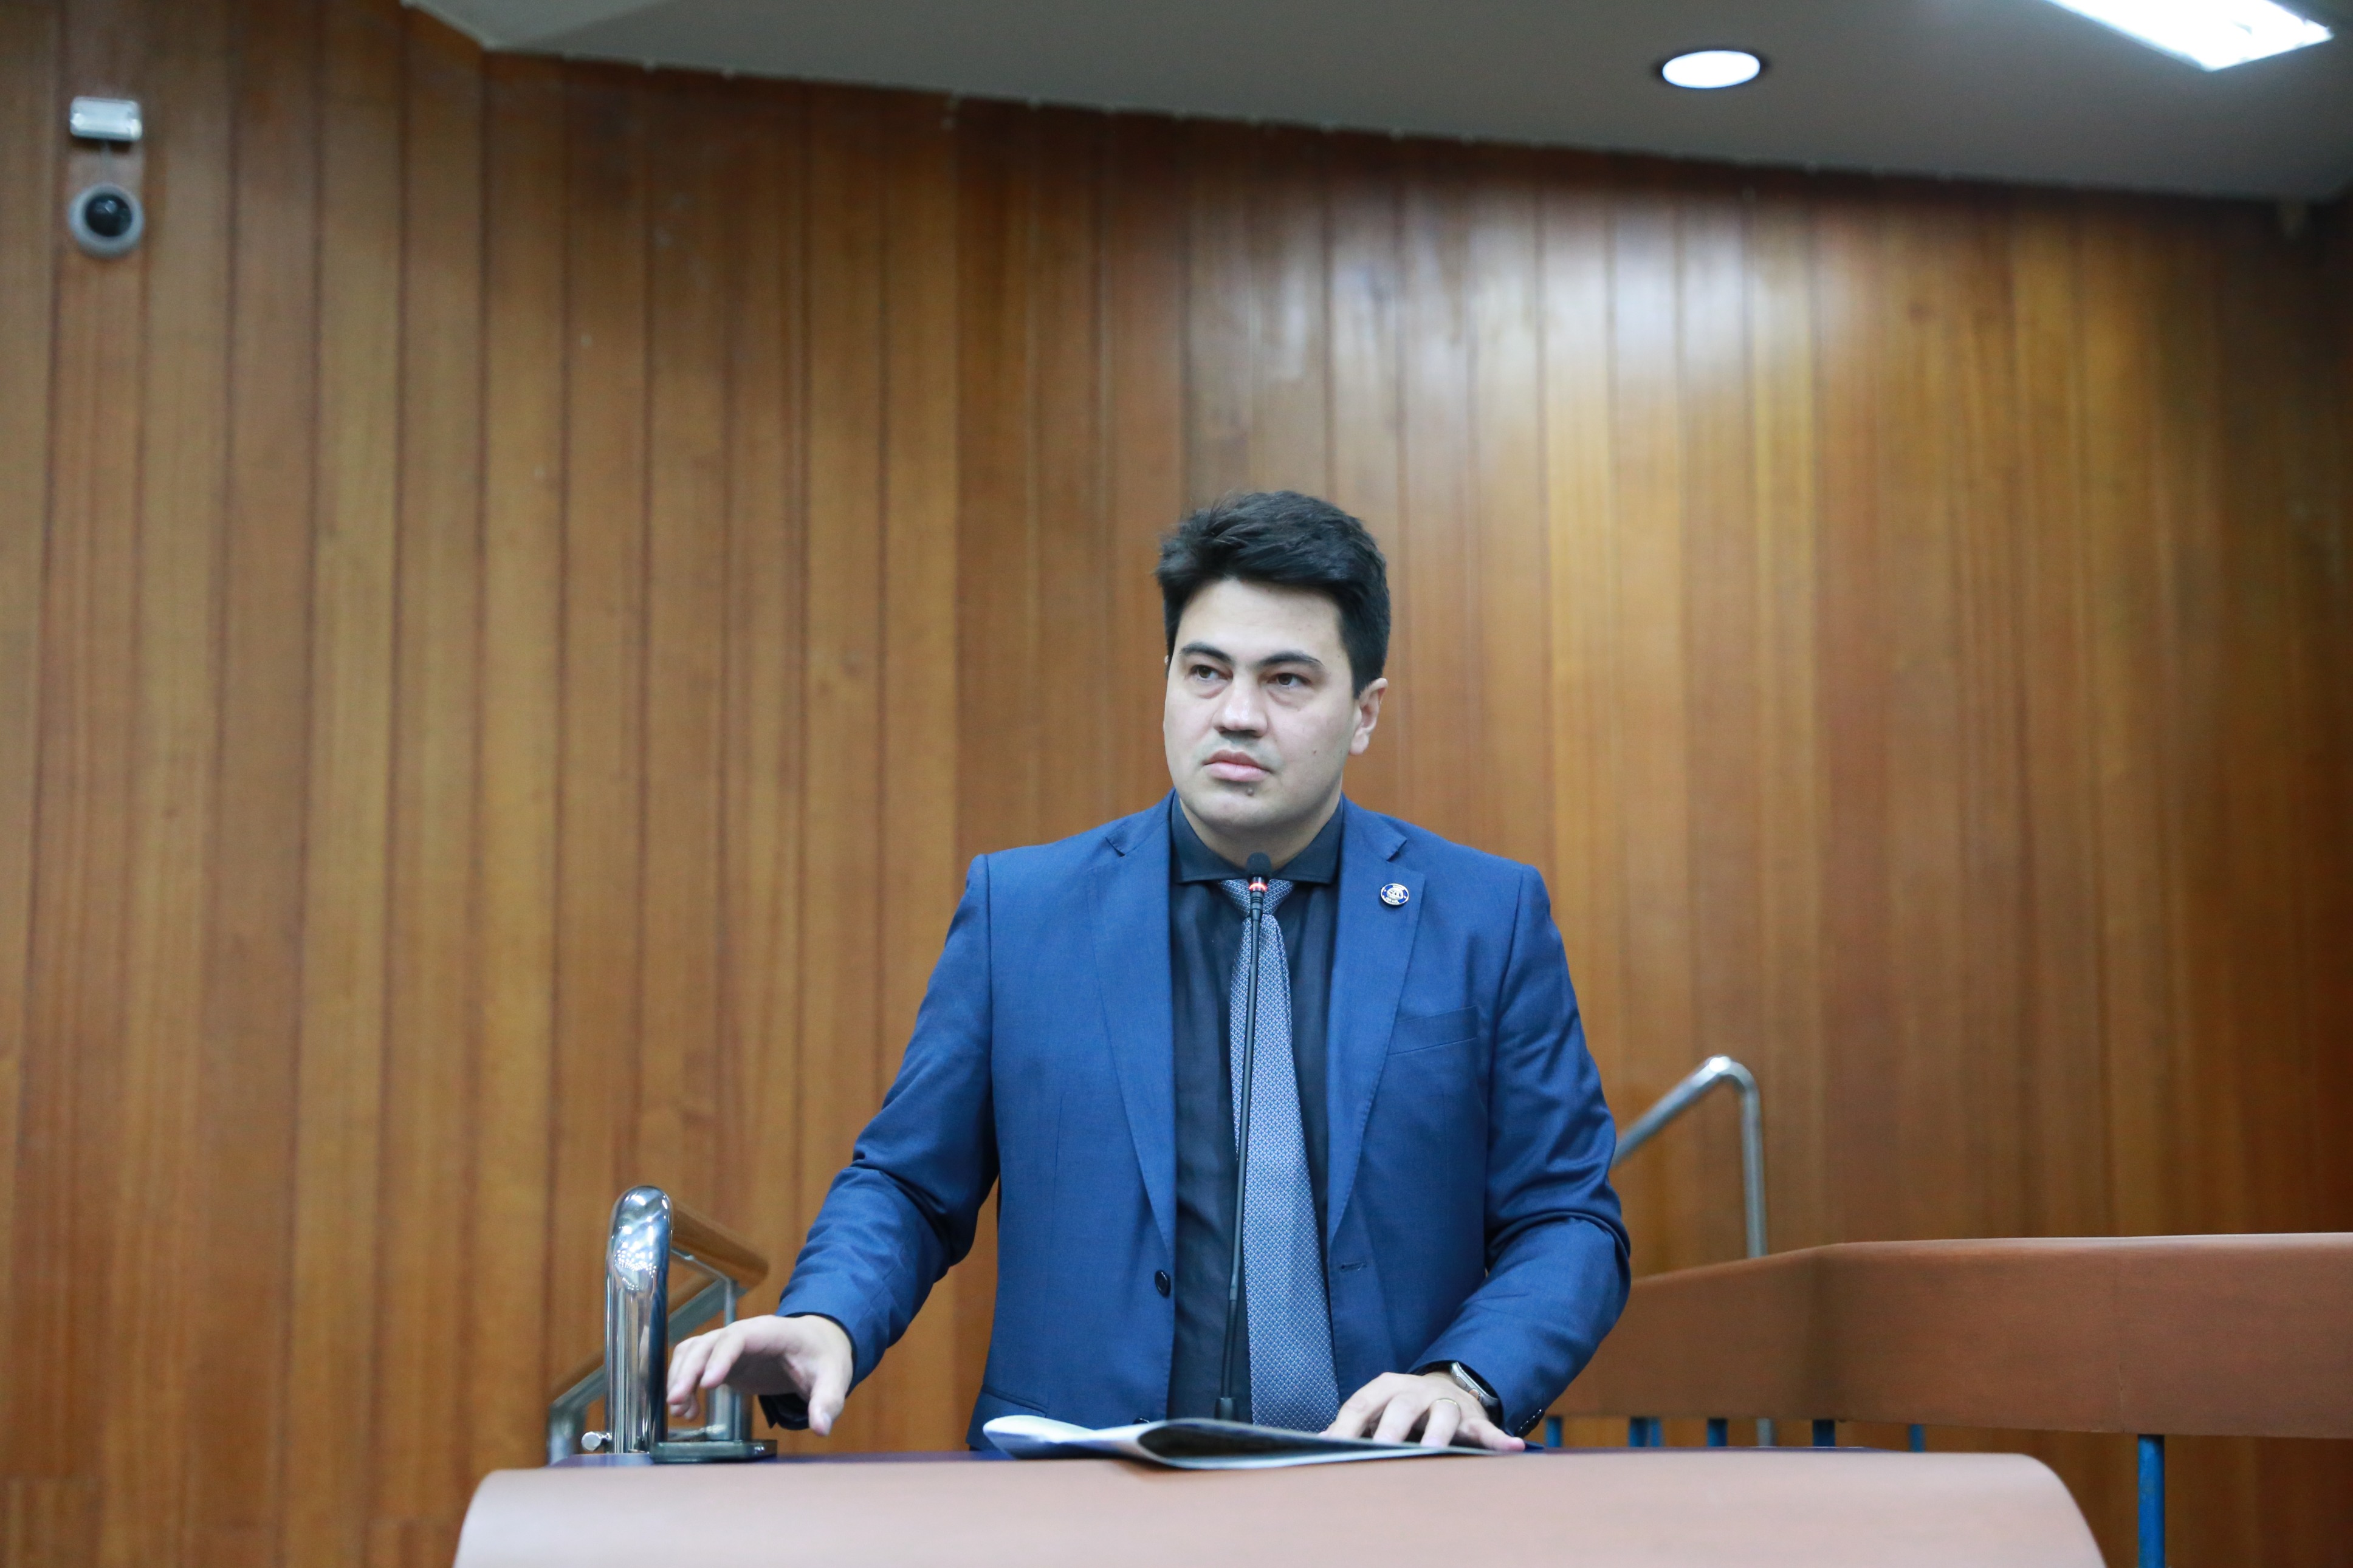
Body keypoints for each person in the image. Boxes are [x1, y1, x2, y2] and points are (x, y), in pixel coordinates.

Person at [666, 491, 1628, 1451]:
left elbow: (1568, 1215)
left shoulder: (1486, 917)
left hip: (1391, 1486)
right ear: (1166, 681)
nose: (1238, 715)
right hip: (1084, 1491)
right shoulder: (1023, 912)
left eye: (1287, 680)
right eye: (1206, 672)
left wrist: (1463, 1375)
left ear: (1365, 712)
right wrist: (827, 1315)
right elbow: (911, 1181)